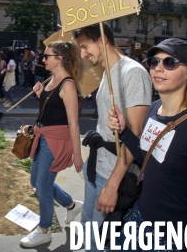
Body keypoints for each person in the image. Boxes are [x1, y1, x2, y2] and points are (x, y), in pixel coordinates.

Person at [107, 38, 187, 250]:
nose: (158, 68)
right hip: (139, 220)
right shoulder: (153, 109)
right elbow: (149, 160)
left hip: (173, 238)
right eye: (154, 62)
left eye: (170, 62)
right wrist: (124, 131)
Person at [72, 23, 151, 252]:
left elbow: (134, 135)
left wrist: (113, 185)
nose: (83, 54)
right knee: (88, 234)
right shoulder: (106, 73)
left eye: (85, 47)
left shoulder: (133, 73)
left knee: (100, 244)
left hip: (112, 177)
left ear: (103, 39)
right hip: (95, 169)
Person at [20, 41, 84, 247]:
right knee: (36, 182)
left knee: (44, 188)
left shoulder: (68, 84)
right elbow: (52, 109)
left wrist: (77, 154)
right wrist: (42, 95)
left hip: (55, 141)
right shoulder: (51, 80)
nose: (43, 59)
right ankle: (71, 204)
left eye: (47, 56)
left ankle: (44, 230)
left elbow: (73, 122)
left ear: (59, 59)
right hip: (43, 136)